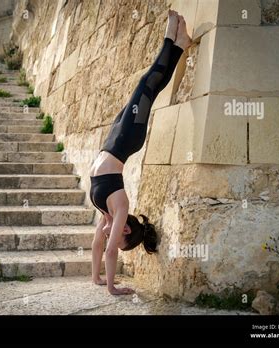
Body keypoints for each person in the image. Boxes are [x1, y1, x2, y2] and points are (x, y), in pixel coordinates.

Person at [89, 10, 192, 295]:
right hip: (128, 136)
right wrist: (113, 288)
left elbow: (99, 246)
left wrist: (96, 280)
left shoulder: (106, 215)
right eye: (119, 240)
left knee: (150, 87)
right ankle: (172, 37)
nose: (110, 238)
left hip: (115, 138)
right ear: (125, 230)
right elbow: (110, 251)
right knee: (147, 85)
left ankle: (180, 43)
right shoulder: (119, 206)